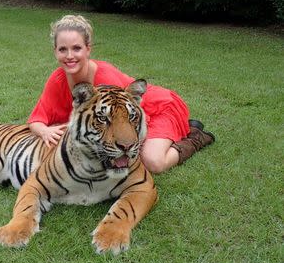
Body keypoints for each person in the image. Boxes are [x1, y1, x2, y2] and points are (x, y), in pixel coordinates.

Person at [28, 15, 215, 174]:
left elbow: (130, 125)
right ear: (55, 51)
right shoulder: (58, 79)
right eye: (63, 49)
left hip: (156, 109)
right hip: (119, 123)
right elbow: (36, 121)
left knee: (153, 162)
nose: (69, 55)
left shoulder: (105, 78)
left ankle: (195, 137)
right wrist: (44, 131)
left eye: (76, 48)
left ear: (88, 48)